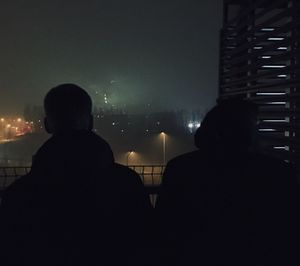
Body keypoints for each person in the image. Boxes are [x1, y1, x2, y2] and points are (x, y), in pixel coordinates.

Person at [0, 84, 152, 266]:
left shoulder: (20, 194)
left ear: (47, 124)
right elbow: (148, 243)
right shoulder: (127, 184)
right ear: (91, 122)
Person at [156, 98, 299, 266]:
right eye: (254, 125)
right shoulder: (276, 172)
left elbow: (164, 227)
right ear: (246, 131)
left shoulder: (181, 169)